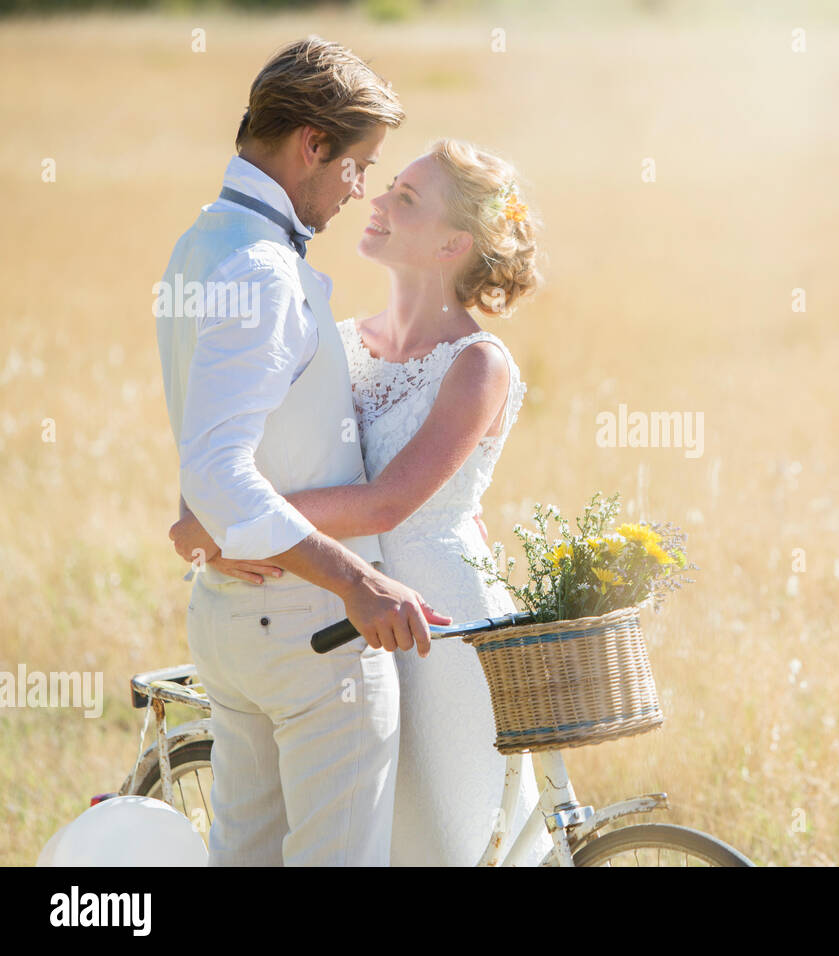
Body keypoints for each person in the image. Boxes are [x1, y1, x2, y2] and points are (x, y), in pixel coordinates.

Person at [170, 138, 552, 865]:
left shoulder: (478, 363)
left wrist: (235, 523)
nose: (373, 199)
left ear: (452, 243)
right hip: (338, 608)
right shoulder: (342, 342)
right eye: (388, 186)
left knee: (439, 836)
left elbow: (386, 503)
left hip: (437, 619)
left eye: (404, 198)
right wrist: (236, 518)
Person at [155, 37, 449, 866]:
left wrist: (203, 511)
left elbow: (217, 437)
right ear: (311, 144)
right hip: (310, 633)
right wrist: (358, 581)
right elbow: (218, 466)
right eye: (357, 165)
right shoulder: (260, 270)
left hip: (234, 623)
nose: (360, 190)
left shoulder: (202, 244)